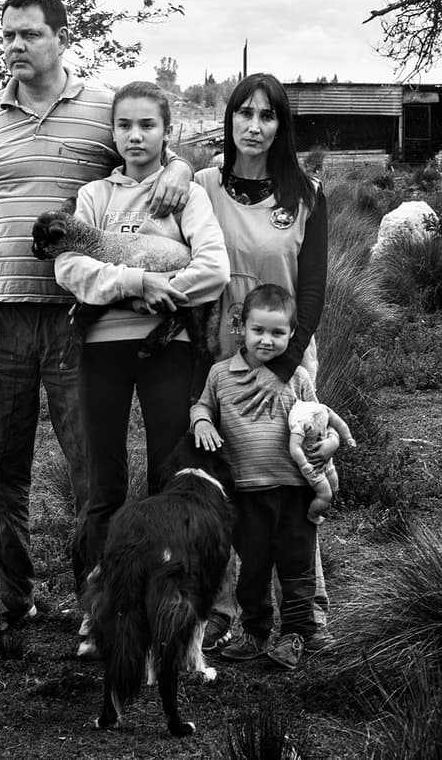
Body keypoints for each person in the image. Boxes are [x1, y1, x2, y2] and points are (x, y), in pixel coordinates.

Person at [0, 0, 193, 637]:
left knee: (92, 470)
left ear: (62, 37)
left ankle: (101, 602)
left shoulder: (99, 111)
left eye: (28, 34)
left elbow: (151, 150)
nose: (14, 46)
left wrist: (183, 165)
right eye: (6, 35)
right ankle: (10, 596)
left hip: (74, 320)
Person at [53, 80, 229, 604]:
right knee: (101, 483)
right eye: (124, 125)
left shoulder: (185, 195)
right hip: (101, 349)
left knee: (167, 475)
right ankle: (97, 605)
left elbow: (215, 268)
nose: (135, 135)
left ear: (167, 132)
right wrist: (134, 284)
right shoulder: (94, 197)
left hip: (167, 350)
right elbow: (69, 264)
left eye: (147, 125)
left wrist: (164, 292)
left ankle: (161, 599)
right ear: (112, 132)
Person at [192, 73, 333, 652]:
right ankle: (225, 609)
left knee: (296, 476)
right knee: (229, 483)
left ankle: (308, 609)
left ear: (282, 125)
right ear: (227, 120)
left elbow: (315, 291)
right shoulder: (199, 185)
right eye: (243, 113)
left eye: (267, 115)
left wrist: (281, 370)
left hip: (287, 360)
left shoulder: (306, 193)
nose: (254, 126)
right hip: (220, 359)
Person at [190, 284, 319, 670]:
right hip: (245, 493)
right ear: (240, 328)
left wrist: (326, 444)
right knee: (254, 568)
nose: (267, 340)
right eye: (258, 330)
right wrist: (200, 421)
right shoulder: (220, 375)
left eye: (278, 333)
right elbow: (201, 405)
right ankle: (256, 632)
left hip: (294, 490)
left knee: (297, 568)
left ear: (292, 335)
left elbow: (317, 417)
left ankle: (295, 635)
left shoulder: (296, 377)